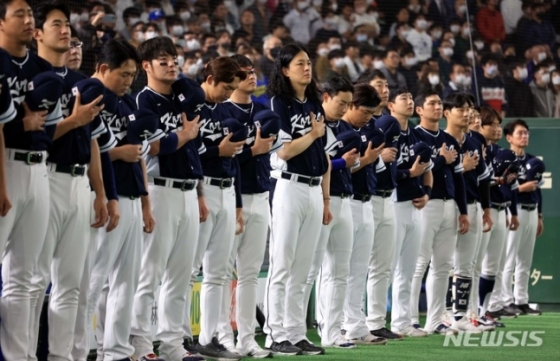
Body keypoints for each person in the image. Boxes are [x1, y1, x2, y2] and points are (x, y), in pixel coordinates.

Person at [0, 0, 71, 359]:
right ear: (1, 22)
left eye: (31, 15)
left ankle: (22, 356)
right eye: (20, 15)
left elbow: (50, 123)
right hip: (6, 166)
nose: (28, 21)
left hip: (39, 168)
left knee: (28, 277)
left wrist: (35, 126)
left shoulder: (44, 68)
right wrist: (19, 125)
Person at [130, 36, 206, 361]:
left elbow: (193, 147)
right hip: (159, 189)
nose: (172, 64)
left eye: (174, 59)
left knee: (179, 275)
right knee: (149, 274)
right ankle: (141, 346)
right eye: (163, 60)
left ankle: (173, 346)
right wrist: (184, 135)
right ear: (145, 66)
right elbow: (149, 148)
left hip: (188, 190)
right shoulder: (142, 101)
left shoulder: (182, 96)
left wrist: (200, 194)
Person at [263, 43, 330, 356]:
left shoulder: (315, 102)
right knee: (283, 264)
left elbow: (323, 155)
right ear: (285, 69)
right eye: (300, 63)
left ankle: (295, 332)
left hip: (314, 188)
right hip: (288, 186)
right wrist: (314, 135)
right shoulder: (278, 102)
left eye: (308, 63)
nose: (307, 68)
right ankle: (275, 334)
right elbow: (284, 151)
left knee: (304, 268)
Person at [216, 54, 277, 359]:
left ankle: (247, 339)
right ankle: (221, 337)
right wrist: (253, 150)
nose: (251, 76)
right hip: (231, 197)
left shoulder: (263, 109)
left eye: (253, 72)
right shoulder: (222, 110)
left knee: (250, 273)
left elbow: (274, 148)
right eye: (244, 73)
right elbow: (221, 157)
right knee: (223, 271)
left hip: (261, 195)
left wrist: (260, 150)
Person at [188, 56, 247, 361]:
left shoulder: (224, 109)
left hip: (225, 191)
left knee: (219, 273)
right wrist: (217, 150)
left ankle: (208, 338)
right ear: (210, 78)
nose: (229, 92)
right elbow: (188, 149)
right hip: (202, 188)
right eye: (226, 86)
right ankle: (183, 337)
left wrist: (237, 205)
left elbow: (233, 157)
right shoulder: (192, 103)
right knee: (189, 269)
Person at [303, 76, 357, 349]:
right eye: (340, 102)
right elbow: (313, 162)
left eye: (348, 103)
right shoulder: (313, 122)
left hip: (344, 198)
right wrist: (341, 162)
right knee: (309, 269)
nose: (345, 108)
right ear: (325, 97)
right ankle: (294, 331)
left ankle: (332, 331)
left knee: (340, 271)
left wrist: (353, 163)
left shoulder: (345, 126)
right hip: (320, 197)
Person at [410, 89, 469, 334]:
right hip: (426, 204)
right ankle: (410, 320)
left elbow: (459, 179)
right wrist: (442, 159)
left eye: (438, 103)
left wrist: (463, 210)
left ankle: (434, 321)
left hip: (449, 204)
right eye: (431, 103)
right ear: (419, 110)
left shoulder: (450, 139)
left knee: (443, 265)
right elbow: (420, 168)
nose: (436, 107)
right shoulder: (414, 136)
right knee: (418, 263)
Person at [442, 93, 493, 333]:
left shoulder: (475, 141)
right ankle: (441, 315)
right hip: (445, 204)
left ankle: (461, 316)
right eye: (461, 109)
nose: (467, 113)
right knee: (439, 263)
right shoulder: (441, 140)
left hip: (472, 205)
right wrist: (461, 166)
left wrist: (486, 208)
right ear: (447, 112)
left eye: (469, 109)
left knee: (466, 265)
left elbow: (483, 179)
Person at [340, 84, 386, 346]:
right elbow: (339, 170)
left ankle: (356, 325)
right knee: (338, 270)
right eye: (366, 111)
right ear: (352, 105)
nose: (369, 116)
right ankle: (335, 325)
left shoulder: (368, 131)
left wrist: (372, 160)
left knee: (359, 270)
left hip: (367, 201)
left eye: (373, 112)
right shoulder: (341, 130)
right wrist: (367, 160)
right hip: (346, 201)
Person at [388, 87, 432, 337]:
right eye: (403, 98)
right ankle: (375, 321)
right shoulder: (387, 132)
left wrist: (426, 191)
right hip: (393, 202)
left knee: (407, 268)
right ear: (391, 106)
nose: (409, 101)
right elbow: (380, 170)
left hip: (416, 205)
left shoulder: (416, 135)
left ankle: (402, 322)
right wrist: (409, 174)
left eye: (410, 97)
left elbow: (428, 168)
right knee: (388, 267)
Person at [475, 106, 519, 321]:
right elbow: (479, 180)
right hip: (483, 208)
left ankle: (484, 311)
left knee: (493, 265)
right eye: (491, 123)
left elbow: (506, 186)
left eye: (498, 123)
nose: (496, 128)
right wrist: (499, 180)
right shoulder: (475, 148)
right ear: (479, 125)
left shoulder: (498, 151)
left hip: (500, 209)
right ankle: (466, 312)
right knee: (472, 264)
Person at [500, 119, 544, 316]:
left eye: (526, 133)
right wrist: (521, 186)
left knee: (525, 259)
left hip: (532, 209)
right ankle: (506, 300)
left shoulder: (533, 160)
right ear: (509, 137)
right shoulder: (504, 159)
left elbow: (537, 189)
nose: (524, 136)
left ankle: (522, 300)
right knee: (509, 258)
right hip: (514, 209)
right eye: (520, 133)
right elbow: (503, 185)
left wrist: (540, 215)